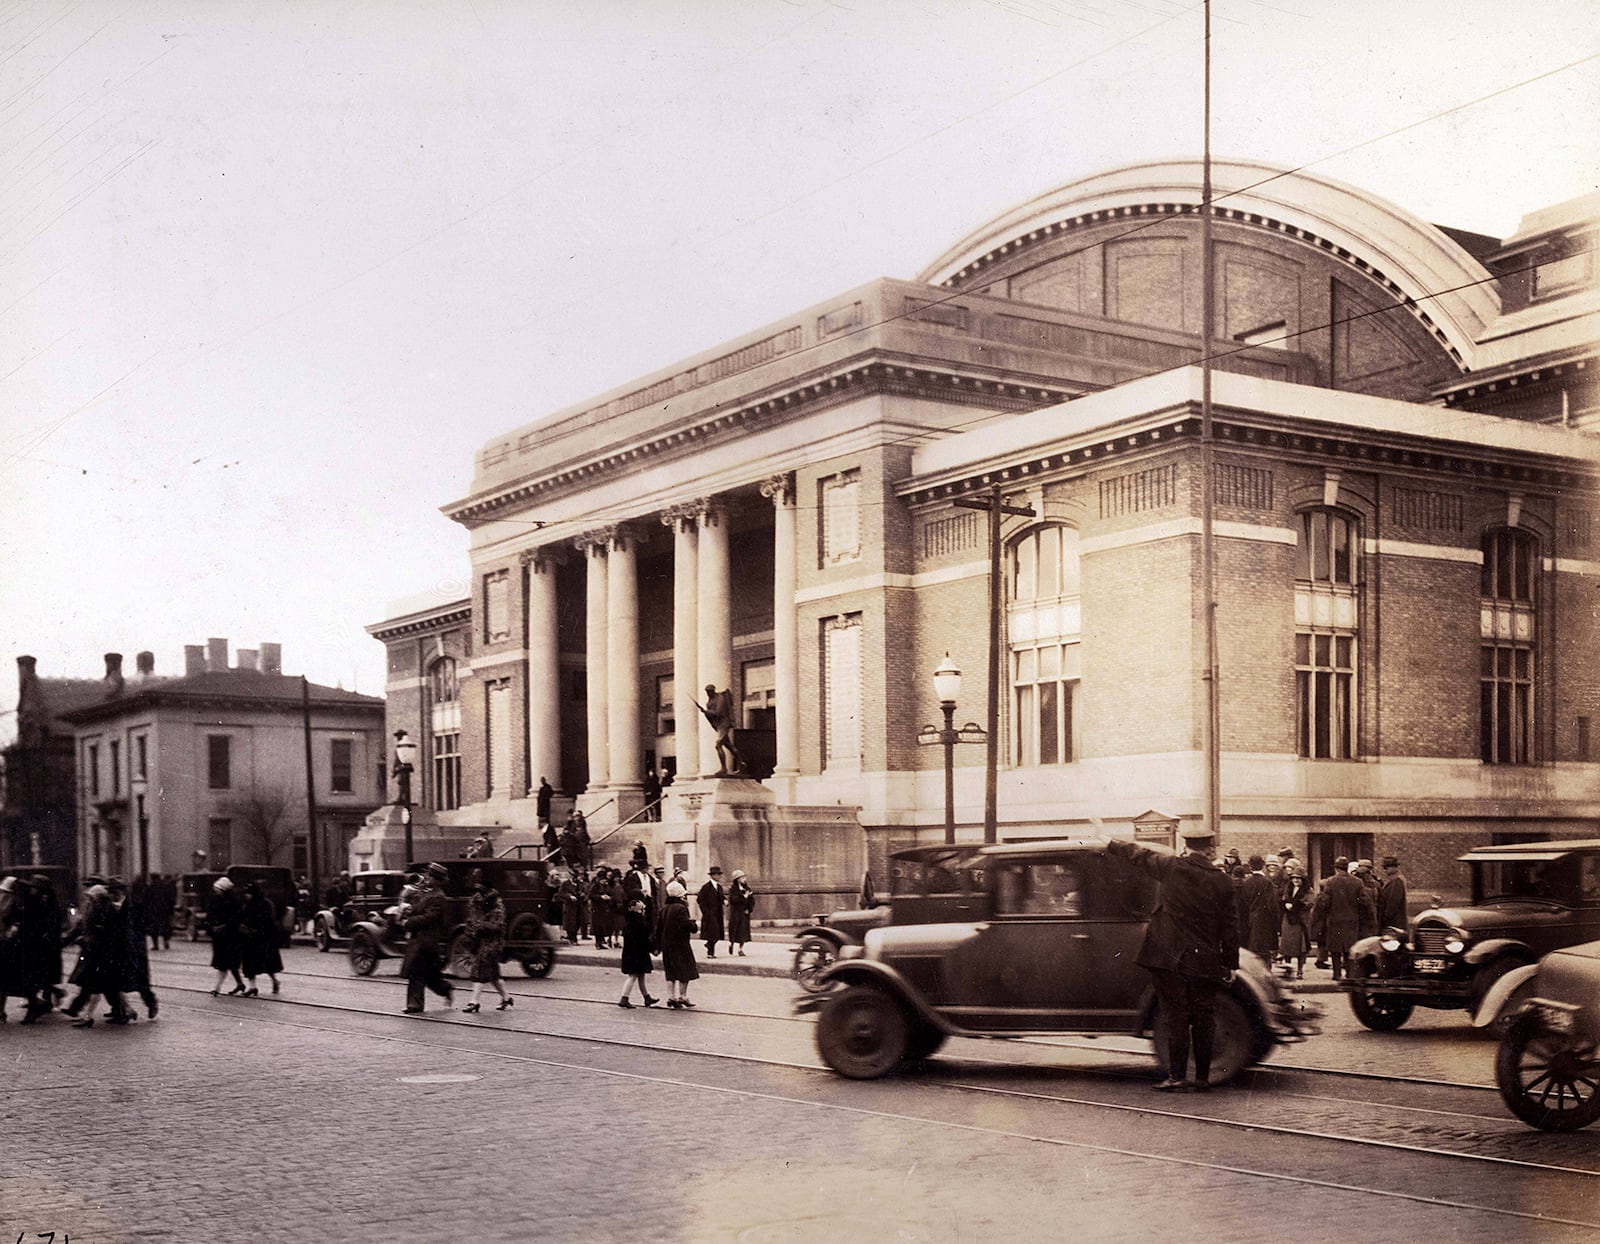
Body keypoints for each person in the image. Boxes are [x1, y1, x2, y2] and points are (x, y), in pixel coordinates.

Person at [1105, 827, 1239, 1092]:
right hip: (1205, 961)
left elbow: (1138, 854)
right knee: (1204, 1017)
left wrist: (1109, 841)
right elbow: (1231, 926)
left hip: (1169, 959)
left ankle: (1177, 1077)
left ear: (1186, 846)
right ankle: (1202, 1078)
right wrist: (1230, 964)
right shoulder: (1223, 881)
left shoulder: (1171, 867)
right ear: (1210, 850)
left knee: (1175, 1016)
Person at [401, 862, 454, 1015]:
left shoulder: (439, 897)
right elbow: (416, 909)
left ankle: (415, 1005)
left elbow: (429, 917)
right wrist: (408, 910)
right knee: (428, 975)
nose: (426, 878)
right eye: (427, 875)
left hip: (428, 940)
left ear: (437, 880)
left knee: (417, 972)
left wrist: (409, 922)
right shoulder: (423, 892)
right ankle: (445, 989)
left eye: (430, 876)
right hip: (418, 939)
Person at [461, 872, 512, 1014]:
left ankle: (474, 1002)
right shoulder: (479, 904)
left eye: (481, 892)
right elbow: (472, 921)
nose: (477, 895)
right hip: (483, 942)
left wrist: (479, 925)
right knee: (494, 974)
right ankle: (506, 998)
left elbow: (496, 926)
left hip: (493, 943)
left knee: (479, 970)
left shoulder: (497, 907)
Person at [1315, 860, 1373, 981]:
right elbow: (1364, 902)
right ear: (1347, 868)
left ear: (1336, 868)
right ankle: (1350, 974)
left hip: (1334, 921)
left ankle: (1337, 974)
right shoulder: (1357, 882)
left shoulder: (1330, 882)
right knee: (1349, 949)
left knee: (1335, 950)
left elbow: (1324, 902)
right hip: (1352, 921)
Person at [112, 877, 159, 1019]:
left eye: (114, 891)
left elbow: (141, 924)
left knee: (141, 981)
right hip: (121, 948)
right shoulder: (113, 905)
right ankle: (121, 1011)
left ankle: (151, 1003)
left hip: (135, 948)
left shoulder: (134, 904)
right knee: (118, 981)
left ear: (120, 891)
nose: (112, 894)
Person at [659, 880, 700, 1009]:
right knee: (685, 970)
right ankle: (683, 996)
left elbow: (659, 928)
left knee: (670, 972)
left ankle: (671, 997)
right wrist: (693, 924)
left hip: (667, 944)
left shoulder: (664, 908)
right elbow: (685, 925)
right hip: (680, 944)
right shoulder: (681, 908)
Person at [239, 880, 284, 997]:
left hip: (263, 937)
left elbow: (269, 921)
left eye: (249, 893)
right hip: (250, 938)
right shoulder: (248, 905)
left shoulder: (265, 904)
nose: (246, 895)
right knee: (249, 964)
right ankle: (252, 987)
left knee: (267, 963)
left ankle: (275, 981)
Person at [207, 876, 248, 998]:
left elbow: (236, 918)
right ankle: (239, 983)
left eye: (218, 889)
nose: (216, 891)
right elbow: (210, 915)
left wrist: (222, 926)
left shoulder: (233, 901)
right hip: (220, 936)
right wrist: (212, 926)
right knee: (228, 963)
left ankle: (217, 988)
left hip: (230, 936)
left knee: (225, 963)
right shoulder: (216, 899)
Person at [617, 898, 659, 1009]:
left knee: (640, 975)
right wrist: (653, 949)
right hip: (638, 953)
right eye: (642, 909)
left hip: (631, 952)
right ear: (638, 910)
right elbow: (644, 939)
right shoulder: (639, 922)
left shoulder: (629, 921)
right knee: (634, 975)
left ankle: (647, 997)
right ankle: (624, 998)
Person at [695, 684, 744, 776]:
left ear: (713, 690)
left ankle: (724, 768)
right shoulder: (709, 702)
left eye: (709, 691)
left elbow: (718, 713)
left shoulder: (720, 698)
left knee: (718, 744)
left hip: (724, 723)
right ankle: (741, 763)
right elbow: (711, 716)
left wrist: (705, 711)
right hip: (719, 725)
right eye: (707, 692)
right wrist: (705, 712)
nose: (708, 693)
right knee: (729, 746)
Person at [1278, 859, 1314, 980]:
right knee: (1287, 946)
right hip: (1288, 920)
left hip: (1300, 921)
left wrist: (1296, 905)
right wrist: (1285, 904)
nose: (1295, 880)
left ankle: (1300, 970)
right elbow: (1283, 898)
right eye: (1293, 878)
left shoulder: (1308, 890)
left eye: (1298, 878)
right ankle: (1288, 968)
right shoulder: (1289, 888)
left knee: (1300, 948)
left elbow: (1309, 903)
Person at [1240, 856, 1279, 964]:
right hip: (1265, 920)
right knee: (1264, 950)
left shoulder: (1246, 883)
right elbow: (1272, 905)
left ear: (1251, 866)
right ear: (1262, 865)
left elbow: (1243, 904)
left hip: (1251, 919)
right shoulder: (1267, 883)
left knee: (1253, 949)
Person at [696, 867, 726, 958]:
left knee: (717, 934)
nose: (720, 876)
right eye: (718, 874)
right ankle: (710, 953)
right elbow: (700, 899)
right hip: (709, 914)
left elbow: (721, 897)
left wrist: (725, 900)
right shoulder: (706, 887)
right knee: (712, 934)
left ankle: (709, 945)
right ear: (713, 875)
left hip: (718, 914)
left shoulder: (719, 887)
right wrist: (705, 911)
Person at [726, 869, 756, 956]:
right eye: (742, 877)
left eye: (744, 877)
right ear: (737, 879)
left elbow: (752, 900)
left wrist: (749, 909)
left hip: (744, 913)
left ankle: (740, 949)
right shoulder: (733, 889)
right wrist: (744, 897)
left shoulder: (747, 888)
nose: (744, 879)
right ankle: (731, 944)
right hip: (736, 913)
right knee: (734, 929)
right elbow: (733, 900)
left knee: (743, 931)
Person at [1378, 856, 1409, 930]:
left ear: (1394, 867)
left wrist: (1385, 918)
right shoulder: (1394, 881)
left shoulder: (1396, 882)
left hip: (1394, 924)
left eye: (1386, 868)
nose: (1384, 870)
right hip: (1394, 923)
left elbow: (1393, 903)